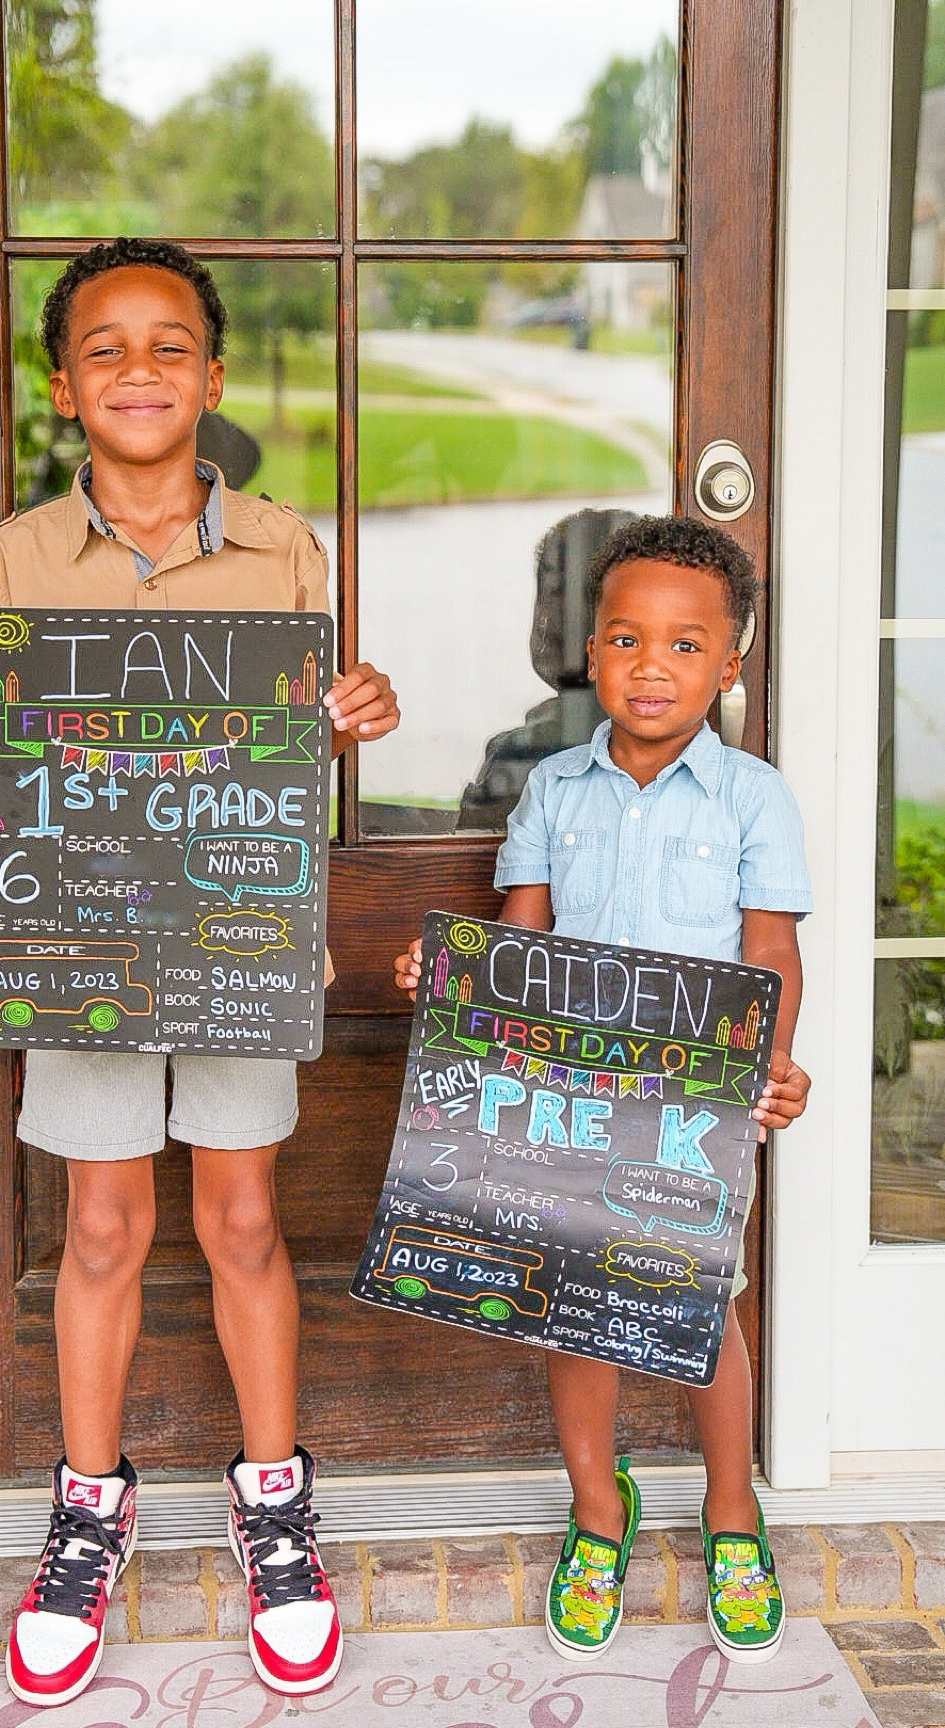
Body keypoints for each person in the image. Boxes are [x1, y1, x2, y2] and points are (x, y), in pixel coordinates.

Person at [0, 237, 399, 1707]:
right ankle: (88, 1505)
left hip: (236, 935)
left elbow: (287, 735)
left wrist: (349, 710)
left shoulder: (284, 549)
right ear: (64, 388)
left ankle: (273, 1502)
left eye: (169, 345)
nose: (139, 369)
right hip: (84, 941)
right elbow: (22, 767)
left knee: (245, 1218)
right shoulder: (14, 558)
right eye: (107, 349)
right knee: (104, 1227)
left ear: (214, 375)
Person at [395, 514, 811, 1667]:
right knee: (571, 1301)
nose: (651, 666)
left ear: (731, 664)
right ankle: (597, 1508)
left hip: (693, 1108)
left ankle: (732, 1514)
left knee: (699, 1308)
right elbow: (518, 945)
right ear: (592, 648)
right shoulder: (549, 794)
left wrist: (771, 1061)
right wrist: (454, 980)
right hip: (564, 1099)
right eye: (627, 639)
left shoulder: (751, 800)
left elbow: (770, 953)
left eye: (687, 645)